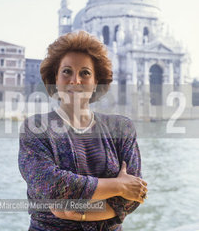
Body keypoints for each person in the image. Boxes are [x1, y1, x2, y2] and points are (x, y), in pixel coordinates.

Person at [18, 30, 148, 231]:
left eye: (85, 73)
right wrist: (119, 186)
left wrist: (77, 212)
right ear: (55, 78)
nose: (75, 80)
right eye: (67, 71)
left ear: (96, 82)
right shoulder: (34, 128)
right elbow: (52, 187)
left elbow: (133, 198)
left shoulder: (122, 128)